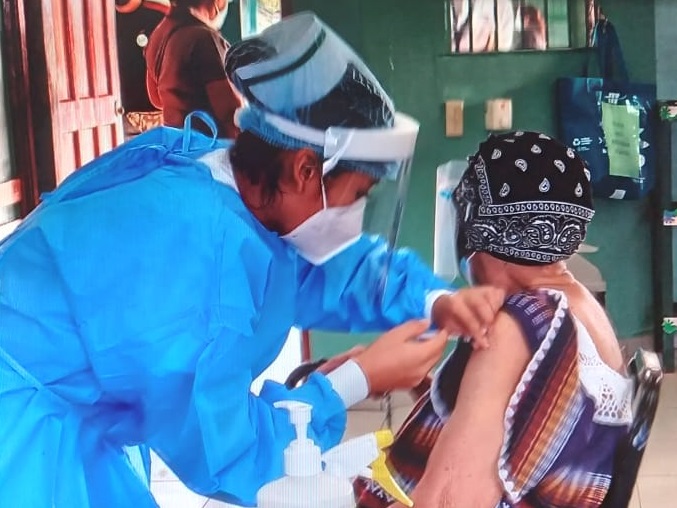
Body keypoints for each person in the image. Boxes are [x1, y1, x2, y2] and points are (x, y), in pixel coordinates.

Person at [0, 13, 504, 508]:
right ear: (307, 169)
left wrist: (433, 299)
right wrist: (355, 380)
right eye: (358, 193)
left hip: (65, 406)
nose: (354, 214)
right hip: (20, 428)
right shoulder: (195, 257)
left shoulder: (236, 186)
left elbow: (320, 272)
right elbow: (227, 451)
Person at [356, 132, 634, 508]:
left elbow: (449, 501)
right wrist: (406, 378)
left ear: (476, 226)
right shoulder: (580, 305)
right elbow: (520, 421)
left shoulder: (520, 323)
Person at [144, 0, 241, 138]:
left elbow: (156, 99)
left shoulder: (158, 35)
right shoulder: (204, 39)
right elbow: (231, 113)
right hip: (209, 150)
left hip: (177, 146)